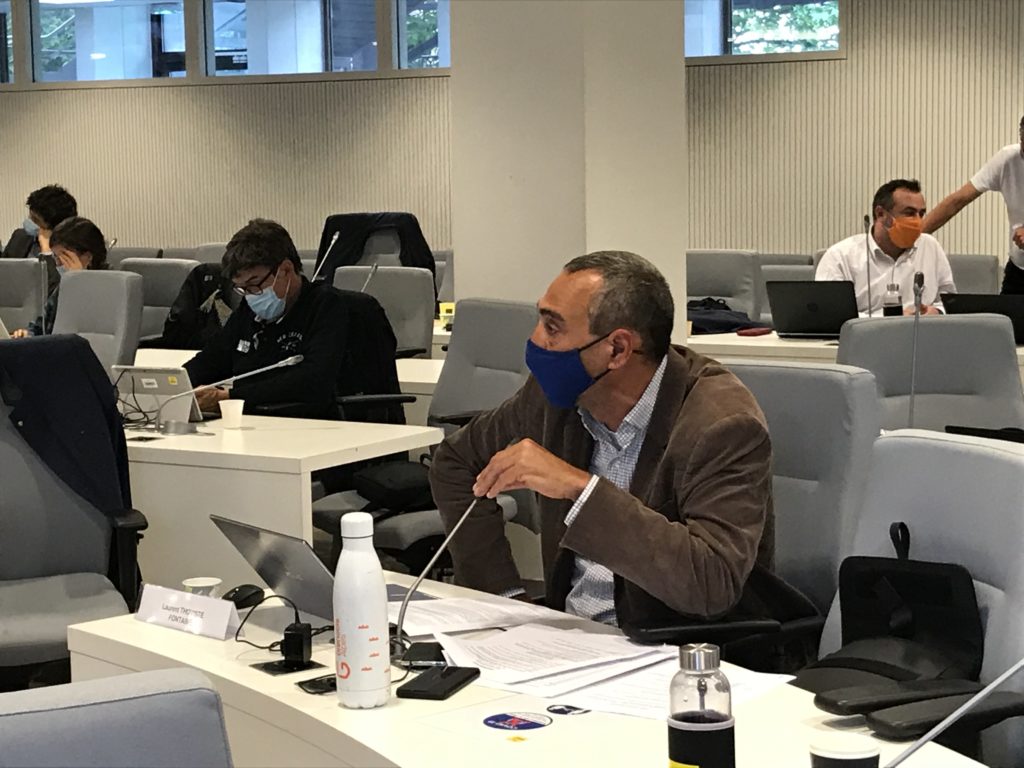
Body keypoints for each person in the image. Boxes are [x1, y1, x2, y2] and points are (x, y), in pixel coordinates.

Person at [429, 251, 778, 629]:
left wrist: (581, 490)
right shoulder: (552, 398)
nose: (535, 339)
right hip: (570, 639)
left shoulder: (721, 424)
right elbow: (456, 463)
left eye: (552, 327)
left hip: (679, 647)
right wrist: (505, 597)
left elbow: (713, 582)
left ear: (617, 349)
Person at [183, 219, 349, 418]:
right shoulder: (248, 310)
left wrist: (230, 397)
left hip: (307, 421)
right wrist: (178, 385)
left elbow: (313, 379)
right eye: (242, 288)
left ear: (285, 270)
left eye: (255, 283)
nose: (251, 295)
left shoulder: (327, 305)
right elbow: (214, 358)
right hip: (250, 420)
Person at [816, 179, 956, 315]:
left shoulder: (930, 247)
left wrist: (937, 311)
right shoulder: (840, 257)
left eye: (921, 214)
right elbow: (831, 313)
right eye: (909, 213)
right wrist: (889, 318)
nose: (918, 221)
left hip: (923, 330)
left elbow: (949, 301)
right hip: (867, 331)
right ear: (880, 214)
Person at [924, 115, 1024, 294]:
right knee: (1004, 313)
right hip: (1019, 270)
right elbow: (958, 200)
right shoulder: (1008, 158)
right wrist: (913, 236)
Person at [11, 216, 108, 338]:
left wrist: (79, 282)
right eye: (55, 257)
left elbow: (90, 330)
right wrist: (27, 334)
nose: (57, 264)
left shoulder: (110, 287)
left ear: (88, 257)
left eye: (64, 257)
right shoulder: (63, 287)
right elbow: (41, 326)